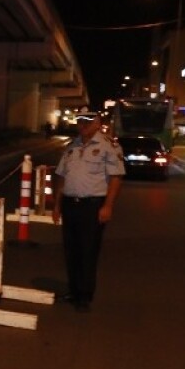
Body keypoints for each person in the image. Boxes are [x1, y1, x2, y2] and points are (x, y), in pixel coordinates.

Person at [52, 109, 125, 311]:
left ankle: (84, 295)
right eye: (80, 121)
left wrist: (108, 206)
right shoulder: (71, 147)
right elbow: (62, 177)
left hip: (92, 206)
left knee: (88, 250)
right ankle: (73, 290)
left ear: (97, 122)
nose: (82, 125)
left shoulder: (109, 146)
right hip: (70, 204)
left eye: (87, 121)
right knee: (71, 250)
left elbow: (116, 178)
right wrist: (57, 205)